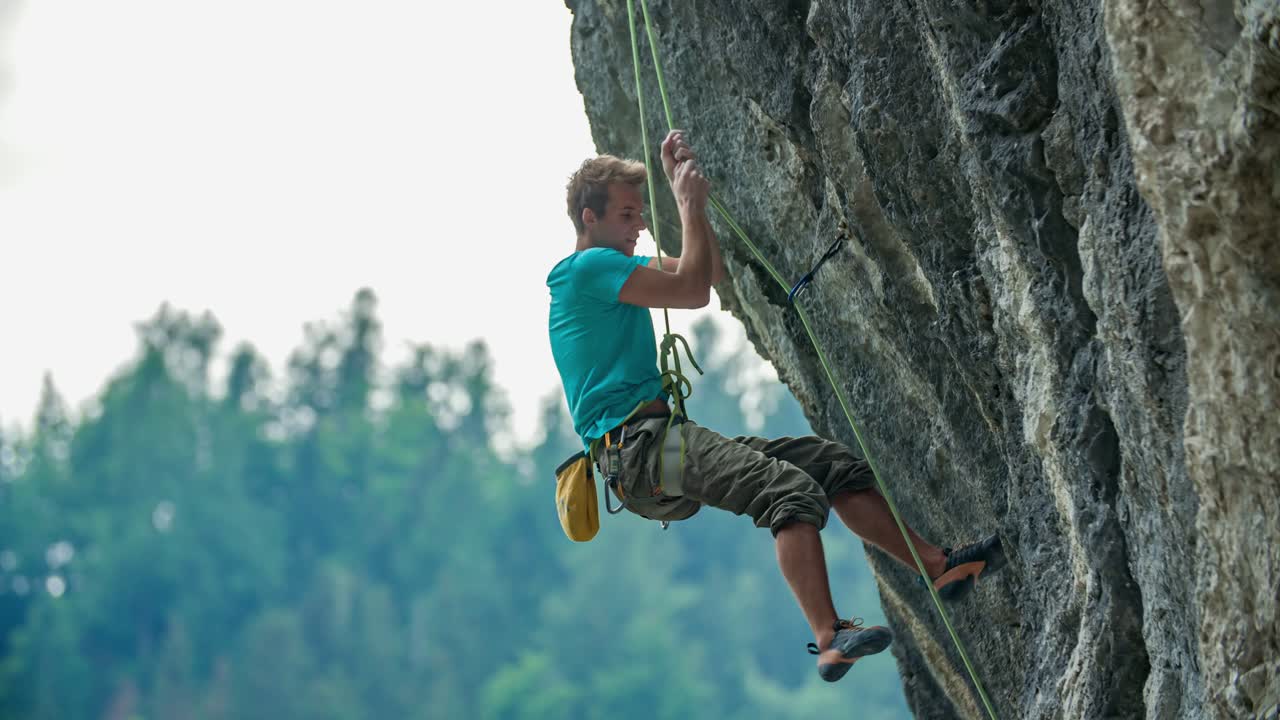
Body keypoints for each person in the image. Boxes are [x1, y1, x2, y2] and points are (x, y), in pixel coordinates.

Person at [546, 129, 1005, 682]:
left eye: (640, 213)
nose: (638, 225)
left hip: (650, 446)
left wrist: (688, 200)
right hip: (640, 449)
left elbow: (706, 274)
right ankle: (831, 636)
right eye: (626, 214)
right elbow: (693, 291)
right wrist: (688, 204)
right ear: (588, 219)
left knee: (831, 466)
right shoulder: (587, 269)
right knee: (787, 491)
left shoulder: (605, 271)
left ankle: (937, 566)